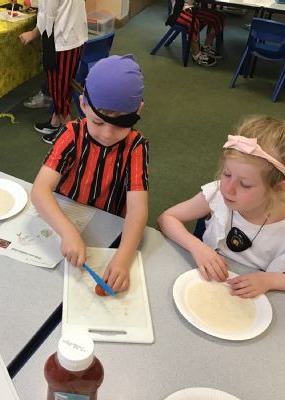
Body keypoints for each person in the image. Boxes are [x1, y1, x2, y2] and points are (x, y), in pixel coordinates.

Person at [31, 55, 149, 293]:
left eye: (120, 125)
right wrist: (67, 231)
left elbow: (137, 209)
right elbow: (39, 191)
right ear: (83, 105)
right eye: (98, 123)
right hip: (64, 220)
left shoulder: (136, 146)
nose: (107, 134)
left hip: (109, 227)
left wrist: (123, 259)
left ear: (138, 111)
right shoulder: (71, 134)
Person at [158, 116, 285, 298]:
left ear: (278, 188)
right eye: (227, 174)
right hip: (203, 283)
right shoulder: (217, 194)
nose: (228, 188)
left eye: (245, 184)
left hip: (248, 300)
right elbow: (166, 219)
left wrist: (270, 280)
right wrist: (197, 247)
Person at [19, 0, 87, 140]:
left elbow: (47, 15)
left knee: (58, 90)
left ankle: (69, 137)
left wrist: (32, 34)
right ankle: (56, 122)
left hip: (61, 40)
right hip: (73, 35)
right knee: (64, 86)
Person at [167, 0, 224, 67]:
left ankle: (206, 47)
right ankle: (196, 55)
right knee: (194, 22)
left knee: (217, 17)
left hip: (193, 8)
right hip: (179, 10)